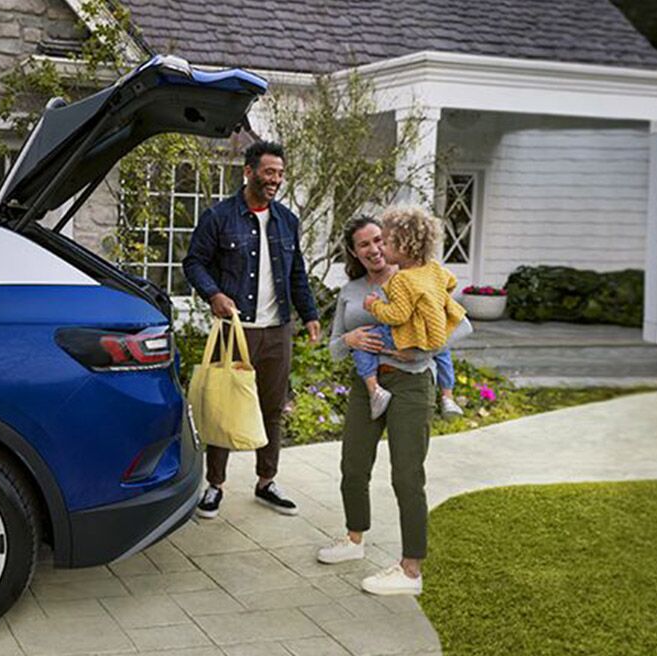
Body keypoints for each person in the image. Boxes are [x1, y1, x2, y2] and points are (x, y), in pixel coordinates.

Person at [317, 212, 470, 596]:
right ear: (354, 251)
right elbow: (334, 348)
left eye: (380, 240)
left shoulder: (421, 278)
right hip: (366, 385)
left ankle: (411, 570)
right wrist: (349, 341)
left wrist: (417, 349)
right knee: (353, 464)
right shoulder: (351, 291)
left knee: (406, 475)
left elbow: (460, 326)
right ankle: (354, 540)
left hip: (412, 385)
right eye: (365, 243)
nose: (376, 249)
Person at [183, 140, 321, 519]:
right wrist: (213, 294)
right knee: (222, 405)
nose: (275, 179)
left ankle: (266, 481)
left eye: (280, 173)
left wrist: (308, 314)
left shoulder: (287, 220)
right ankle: (214, 486)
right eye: (268, 172)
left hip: (277, 331)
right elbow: (193, 263)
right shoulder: (219, 217)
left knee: (272, 408)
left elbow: (296, 274)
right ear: (249, 171)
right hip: (235, 328)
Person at [355, 207, 466, 419]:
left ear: (404, 246)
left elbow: (397, 315)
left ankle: (375, 391)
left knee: (363, 342)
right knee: (443, 352)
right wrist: (431, 300)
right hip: (433, 333)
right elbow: (451, 282)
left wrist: (373, 305)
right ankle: (447, 397)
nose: (381, 248)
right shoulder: (433, 268)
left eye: (386, 243)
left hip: (406, 337)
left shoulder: (401, 279)